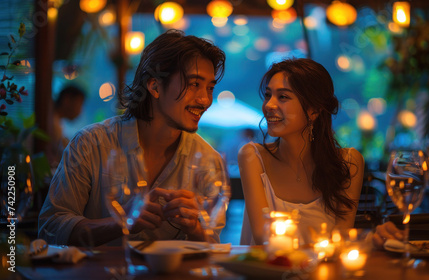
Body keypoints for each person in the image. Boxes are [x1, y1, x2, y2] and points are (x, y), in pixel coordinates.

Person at [38, 30, 226, 246]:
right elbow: (50, 228)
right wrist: (120, 222)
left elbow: (213, 247)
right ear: (154, 86)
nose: (205, 100)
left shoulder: (209, 162)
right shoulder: (91, 144)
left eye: (210, 88)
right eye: (194, 84)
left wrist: (196, 228)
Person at [238, 58, 364, 245]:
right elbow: (263, 236)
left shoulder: (349, 162)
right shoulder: (252, 157)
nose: (269, 105)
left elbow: (341, 239)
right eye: (267, 95)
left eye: (283, 97)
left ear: (313, 110)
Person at [47, 85, 86, 169]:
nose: (80, 111)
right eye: (80, 104)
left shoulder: (56, 121)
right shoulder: (50, 122)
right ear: (67, 100)